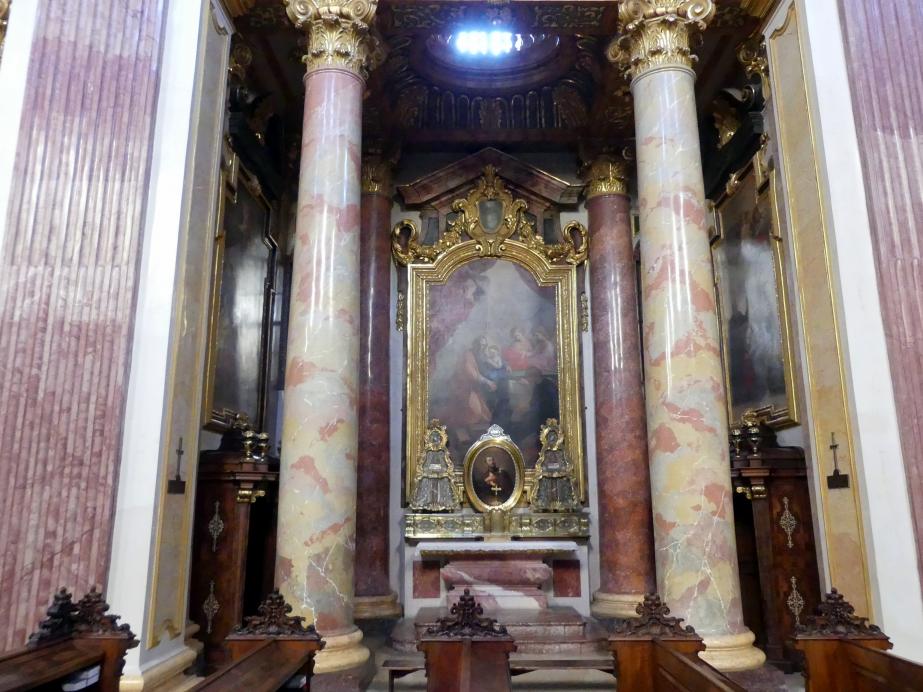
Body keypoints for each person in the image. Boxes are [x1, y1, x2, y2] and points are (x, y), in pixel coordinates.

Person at [410, 420, 462, 512]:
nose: (435, 441)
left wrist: (442, 470)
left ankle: (447, 503)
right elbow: (422, 464)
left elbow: (447, 464)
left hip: (441, 473)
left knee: (445, 479)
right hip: (428, 473)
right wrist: (427, 470)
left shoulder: (443, 451)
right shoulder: (428, 451)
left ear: (441, 439)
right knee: (424, 479)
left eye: (437, 438)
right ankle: (422, 503)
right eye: (433, 438)